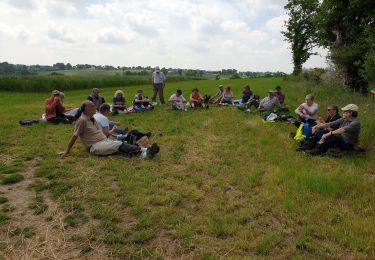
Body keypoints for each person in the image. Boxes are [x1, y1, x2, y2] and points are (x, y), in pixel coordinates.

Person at [59, 100, 159, 158]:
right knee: (118, 144)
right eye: (92, 106)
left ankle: (145, 151)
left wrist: (113, 136)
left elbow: (102, 132)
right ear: (86, 109)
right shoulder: (82, 120)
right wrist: (67, 151)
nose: (95, 108)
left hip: (104, 140)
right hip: (95, 146)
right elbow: (74, 136)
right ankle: (145, 152)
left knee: (120, 144)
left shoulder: (92, 119)